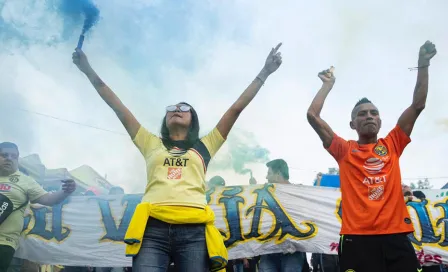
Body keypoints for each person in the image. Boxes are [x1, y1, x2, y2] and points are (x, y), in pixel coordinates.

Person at [72, 43, 283, 272]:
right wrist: (87, 69)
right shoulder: (150, 143)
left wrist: (265, 72)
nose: (176, 109)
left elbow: (235, 109)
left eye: (183, 107)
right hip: (152, 229)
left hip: (193, 230)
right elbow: (118, 107)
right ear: (165, 119)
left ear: (193, 118)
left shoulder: (205, 146)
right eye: (171, 107)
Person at [307, 41, 437, 272]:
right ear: (352, 123)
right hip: (358, 240)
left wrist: (423, 65)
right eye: (362, 114)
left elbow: (418, 105)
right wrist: (327, 85)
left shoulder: (393, 143)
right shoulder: (343, 149)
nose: (369, 116)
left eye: (374, 113)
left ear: (380, 121)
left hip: (396, 237)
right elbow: (312, 115)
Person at [0, 142, 76, 272]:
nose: (9, 158)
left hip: (4, 241)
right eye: (4, 155)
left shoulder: (26, 181)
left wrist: (65, 191)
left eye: (14, 156)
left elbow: (48, 199)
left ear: (18, 159)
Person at [259, 159, 308, 271]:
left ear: (278, 174)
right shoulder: (264, 194)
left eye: (269, 173)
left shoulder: (298, 193)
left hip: (292, 251)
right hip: (268, 250)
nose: (266, 177)